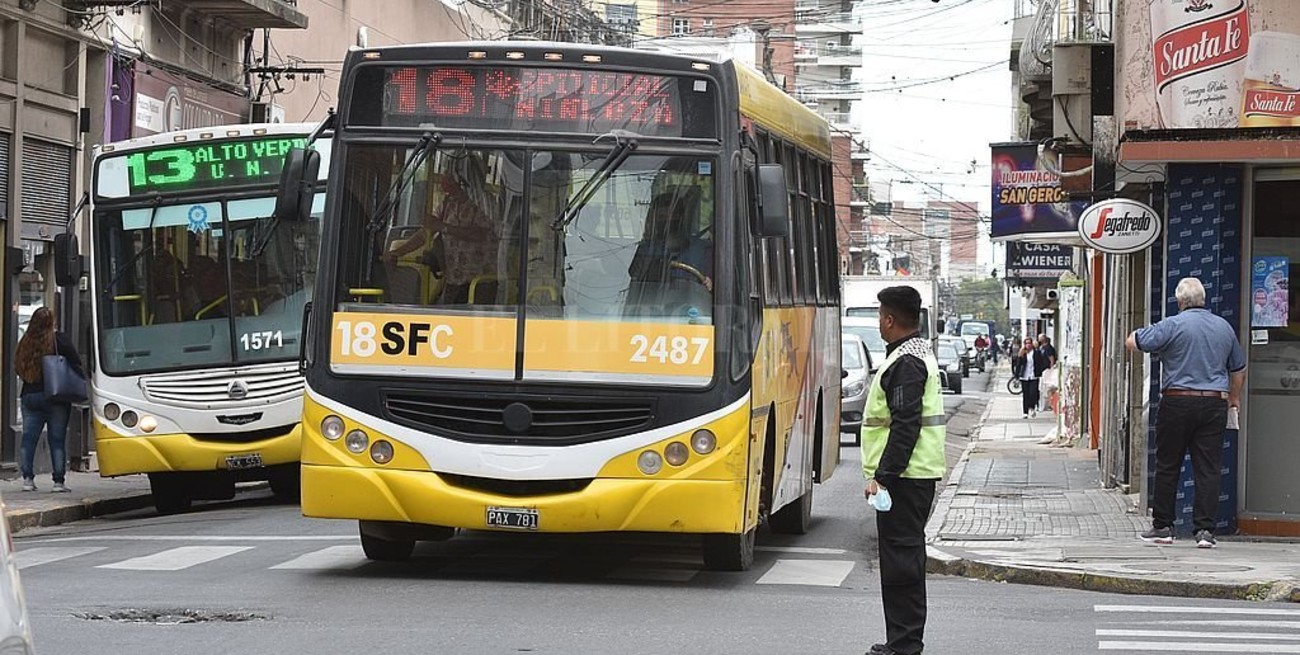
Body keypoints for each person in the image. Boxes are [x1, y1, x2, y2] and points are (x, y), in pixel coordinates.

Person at [1127, 277, 1246, 549]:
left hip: (1177, 402)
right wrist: (1233, 399)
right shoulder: (1223, 327)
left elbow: (1133, 342)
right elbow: (1238, 368)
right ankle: (1205, 532)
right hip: (1214, 402)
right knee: (1208, 468)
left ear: (1180, 302)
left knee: (1169, 465)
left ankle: (1163, 527)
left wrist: (1145, 337)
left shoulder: (1172, 324)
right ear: (1204, 301)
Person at [860, 286, 946, 655]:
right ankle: (900, 640)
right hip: (911, 477)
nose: (879, 322)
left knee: (902, 563)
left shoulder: (907, 363)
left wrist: (883, 477)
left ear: (891, 320)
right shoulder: (911, 355)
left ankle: (906, 644)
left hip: (906, 479)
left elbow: (905, 425)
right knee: (899, 561)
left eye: (880, 316)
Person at [14, 307, 84, 493]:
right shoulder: (58, 339)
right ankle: (58, 482)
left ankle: (28, 479)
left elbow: (17, 366)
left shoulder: (25, 342)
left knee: (28, 439)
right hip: (55, 396)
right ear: (51, 321)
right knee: (57, 439)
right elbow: (76, 360)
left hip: (29, 395)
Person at [629, 191, 714, 292]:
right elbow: (634, 280)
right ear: (654, 219)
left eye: (673, 216)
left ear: (683, 218)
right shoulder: (646, 250)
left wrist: (711, 284)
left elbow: (718, 287)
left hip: (692, 305)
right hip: (650, 304)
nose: (667, 221)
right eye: (661, 217)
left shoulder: (704, 251)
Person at [1013, 337, 1047, 419]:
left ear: (1032, 344)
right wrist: (1016, 376)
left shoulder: (1036, 353)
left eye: (1029, 343)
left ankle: (1032, 407)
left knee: (1033, 393)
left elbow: (1041, 362)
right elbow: (1018, 365)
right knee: (1026, 394)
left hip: (1034, 376)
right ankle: (1025, 412)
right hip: (1024, 376)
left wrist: (1040, 371)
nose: (1028, 345)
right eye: (1026, 343)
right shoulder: (1022, 353)